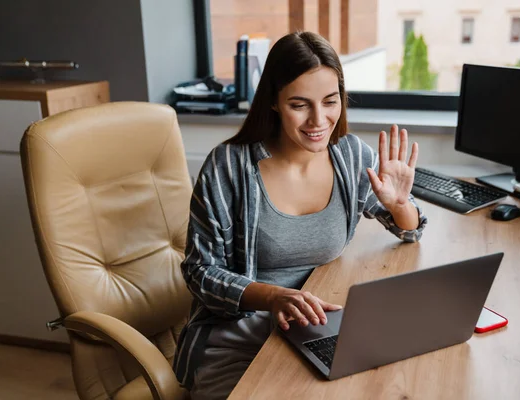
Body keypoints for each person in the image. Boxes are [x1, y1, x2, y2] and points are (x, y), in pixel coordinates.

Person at [173, 31, 428, 399]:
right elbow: (199, 273)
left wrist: (401, 205)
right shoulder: (227, 166)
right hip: (239, 335)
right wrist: (273, 297)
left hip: (315, 328)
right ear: (274, 102)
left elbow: (409, 233)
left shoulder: (351, 156)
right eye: (299, 104)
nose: (318, 120)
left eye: (330, 101)